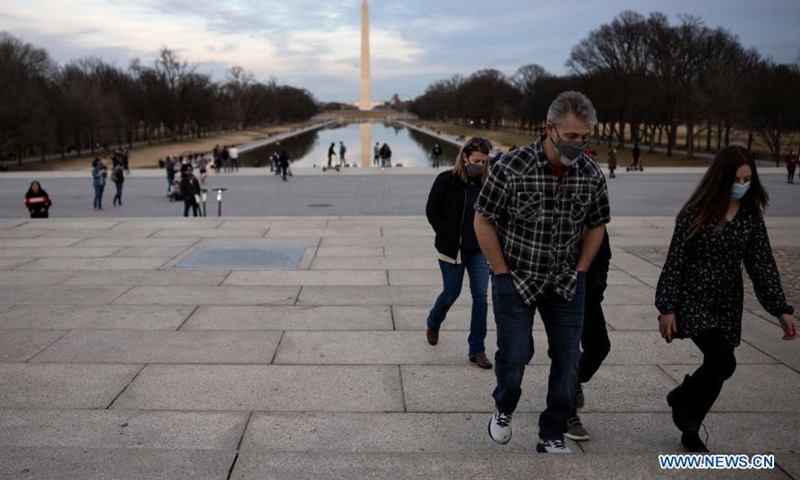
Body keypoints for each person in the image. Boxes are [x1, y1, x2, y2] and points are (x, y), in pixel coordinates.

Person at [474, 91, 610, 454]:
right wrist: (500, 272)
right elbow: (483, 218)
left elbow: (597, 224)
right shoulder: (511, 167)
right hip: (516, 277)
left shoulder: (591, 173)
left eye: (585, 137)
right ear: (549, 128)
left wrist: (582, 268)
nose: (580, 145)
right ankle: (504, 406)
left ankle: (551, 429)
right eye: (572, 137)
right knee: (515, 354)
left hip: (567, 280)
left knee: (568, 359)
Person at [656, 146, 796, 453]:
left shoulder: (750, 217)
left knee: (719, 367)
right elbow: (675, 260)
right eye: (737, 179)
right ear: (721, 178)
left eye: (748, 179)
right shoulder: (696, 212)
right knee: (722, 359)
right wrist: (667, 308)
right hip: (692, 299)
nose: (743, 185)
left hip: (728, 303)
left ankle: (690, 426)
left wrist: (781, 311)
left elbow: (762, 265)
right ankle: (682, 399)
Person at [425, 137, 493, 370]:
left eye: (484, 161)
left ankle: (477, 349)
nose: (481, 165)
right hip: (452, 248)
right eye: (476, 160)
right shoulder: (446, 180)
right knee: (450, 294)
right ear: (465, 158)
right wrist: (445, 232)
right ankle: (434, 321)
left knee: (481, 297)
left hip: (479, 250)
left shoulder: (489, 183)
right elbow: (431, 210)